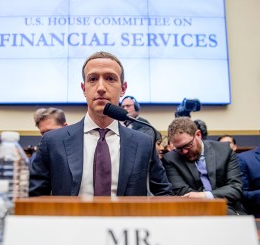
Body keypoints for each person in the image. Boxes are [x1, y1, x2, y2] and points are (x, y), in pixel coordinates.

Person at [29, 51, 173, 196]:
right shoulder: (53, 142)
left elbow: (164, 194)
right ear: (83, 88)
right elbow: (33, 198)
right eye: (92, 79)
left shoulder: (143, 143)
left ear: (123, 88)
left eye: (110, 78)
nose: (101, 88)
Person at [162, 117, 246, 215]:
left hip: (230, 209)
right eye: (179, 148)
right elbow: (183, 193)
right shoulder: (171, 159)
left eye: (187, 145)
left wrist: (205, 195)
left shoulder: (224, 150)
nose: (184, 151)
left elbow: (235, 189)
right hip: (194, 212)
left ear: (198, 134)